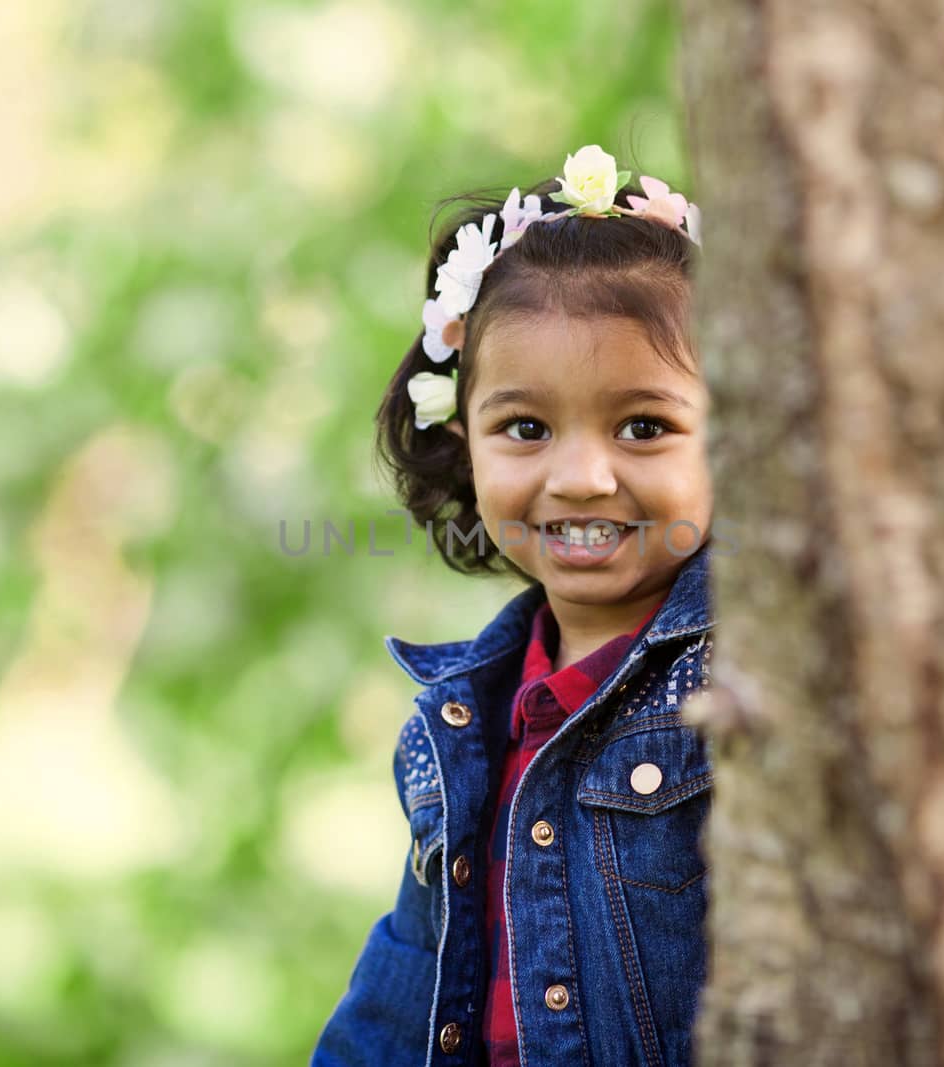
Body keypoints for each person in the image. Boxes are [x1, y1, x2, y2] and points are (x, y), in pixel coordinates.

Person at [314, 144, 716, 1067]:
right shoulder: (459, 719)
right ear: (464, 443)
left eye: (644, 427)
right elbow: (405, 992)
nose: (580, 478)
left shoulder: (741, 682)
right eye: (526, 428)